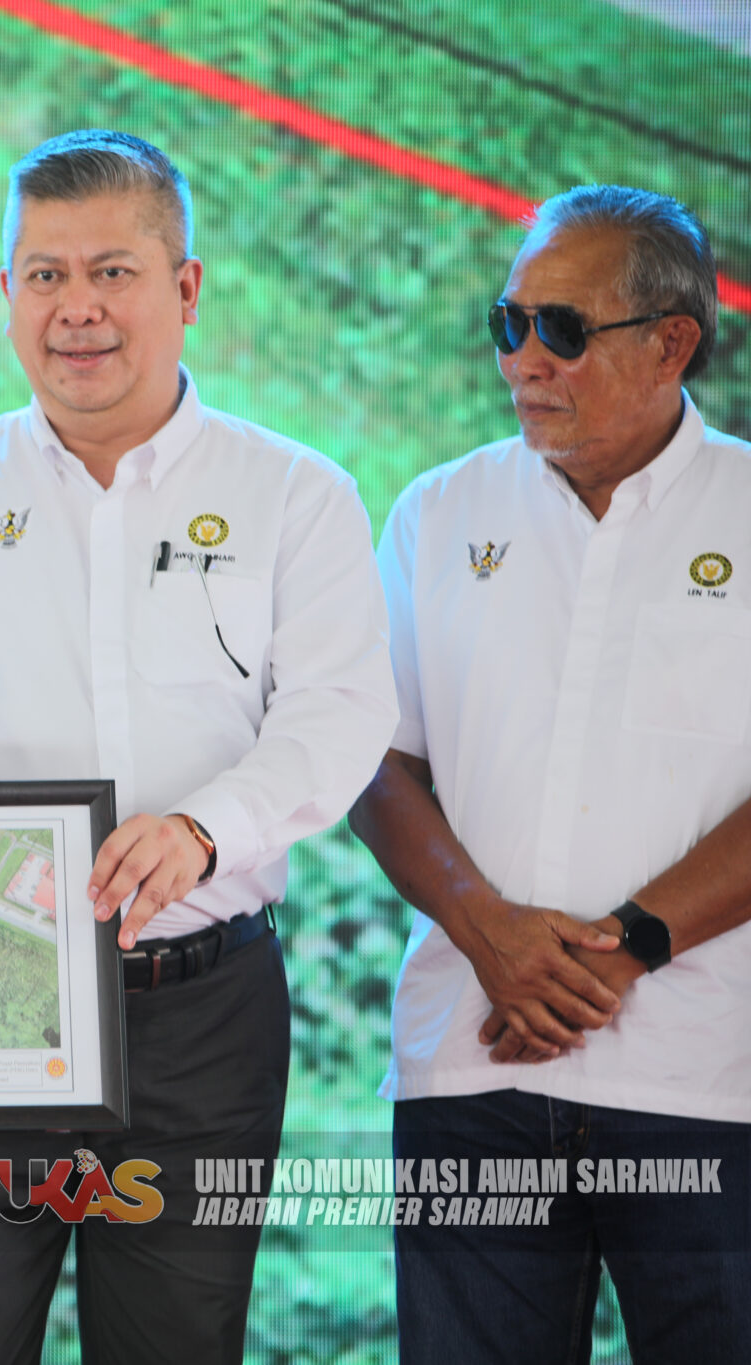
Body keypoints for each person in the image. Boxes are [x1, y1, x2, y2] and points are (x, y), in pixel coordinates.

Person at [0, 130, 398, 1363]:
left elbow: (338, 712)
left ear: (184, 288)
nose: (73, 309)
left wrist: (203, 831)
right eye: (43, 275)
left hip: (198, 1015)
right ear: (6, 293)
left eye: (110, 273)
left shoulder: (293, 492)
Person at [350, 185, 751, 1365]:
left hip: (710, 1078)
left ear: (669, 344)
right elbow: (372, 757)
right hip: (469, 1062)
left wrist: (620, 951)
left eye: (561, 331)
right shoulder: (436, 511)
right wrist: (487, 937)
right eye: (507, 324)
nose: (522, 360)